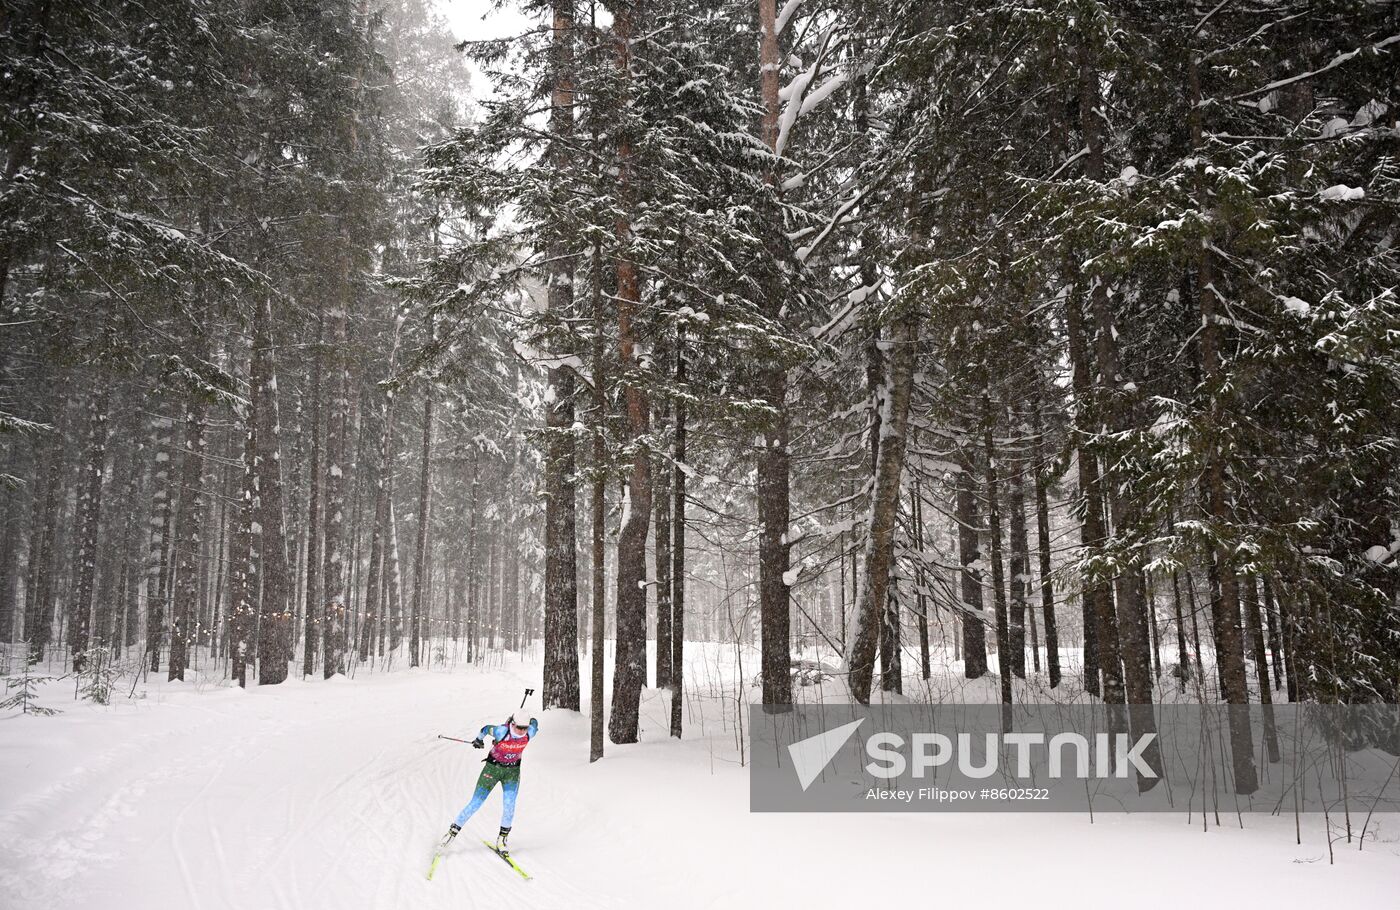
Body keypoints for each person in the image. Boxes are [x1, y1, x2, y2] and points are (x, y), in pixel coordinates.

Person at [440, 715, 538, 856]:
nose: (522, 731)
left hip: (512, 773)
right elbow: (485, 729)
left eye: (525, 728)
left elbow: (535, 722)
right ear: (513, 723)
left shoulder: (530, 732)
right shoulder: (501, 731)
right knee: (476, 802)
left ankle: (502, 840)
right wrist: (479, 740)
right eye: (519, 727)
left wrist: (530, 718)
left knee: (509, 805)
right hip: (492, 770)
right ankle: (451, 834)